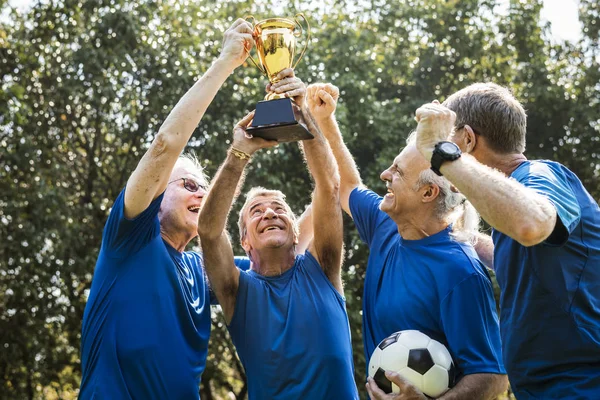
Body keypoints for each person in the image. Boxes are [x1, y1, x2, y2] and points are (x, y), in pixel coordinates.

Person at [78, 20, 317, 399]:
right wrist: (226, 62)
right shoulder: (130, 240)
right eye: (188, 186)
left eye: (204, 191)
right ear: (155, 199)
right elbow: (165, 145)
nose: (202, 197)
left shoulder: (200, 266)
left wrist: (310, 121)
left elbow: (288, 246)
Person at [305, 83, 508, 400]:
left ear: (429, 193)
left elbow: (493, 377)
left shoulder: (460, 271)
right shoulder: (386, 223)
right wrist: (325, 120)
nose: (385, 174)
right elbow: (347, 187)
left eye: (397, 171)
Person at [414, 82, 600, 399]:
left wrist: (442, 154)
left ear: (467, 140)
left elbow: (532, 224)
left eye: (450, 141)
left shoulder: (540, 174)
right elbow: (520, 256)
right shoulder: (515, 202)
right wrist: (465, 238)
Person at [197, 69, 359, 400]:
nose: (270, 212)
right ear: (244, 242)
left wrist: (301, 113)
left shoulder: (322, 269)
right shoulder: (235, 292)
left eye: (279, 208)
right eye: (256, 211)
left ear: (297, 229)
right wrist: (239, 153)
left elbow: (328, 186)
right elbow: (209, 230)